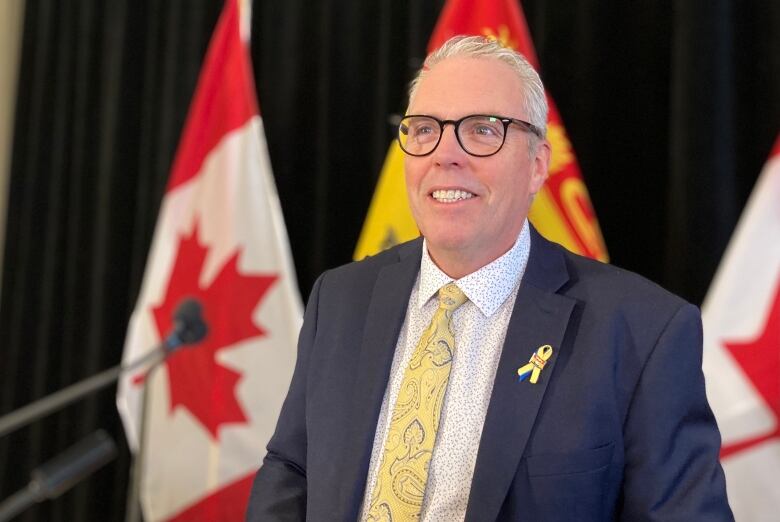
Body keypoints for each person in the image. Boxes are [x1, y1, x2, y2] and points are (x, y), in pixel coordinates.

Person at [246, 35, 733, 521]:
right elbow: (292, 469)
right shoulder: (340, 298)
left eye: (482, 130)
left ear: (537, 165)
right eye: (424, 129)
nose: (446, 154)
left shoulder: (643, 332)